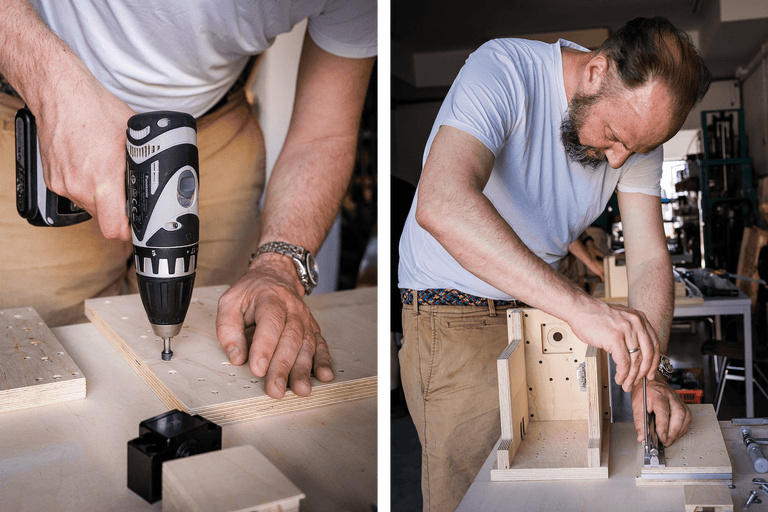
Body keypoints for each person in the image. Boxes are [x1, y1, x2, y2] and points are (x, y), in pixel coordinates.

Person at [397, 17, 711, 511]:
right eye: (612, 135)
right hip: (454, 312)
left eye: (635, 149)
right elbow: (440, 202)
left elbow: (650, 258)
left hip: (541, 313)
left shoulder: (637, 134)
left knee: (555, 488)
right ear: (596, 72)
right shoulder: (502, 69)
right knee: (473, 500)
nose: (617, 160)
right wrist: (580, 308)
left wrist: (652, 376)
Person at [0, 0, 377, 400]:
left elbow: (325, 136)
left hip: (207, 128)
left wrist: (279, 268)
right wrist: (52, 87)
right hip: (40, 103)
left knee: (209, 349)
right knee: (43, 360)